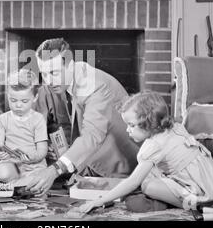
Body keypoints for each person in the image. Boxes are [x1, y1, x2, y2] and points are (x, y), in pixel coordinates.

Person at [77, 91, 213, 213]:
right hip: (207, 178)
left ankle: (186, 204)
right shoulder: (173, 126)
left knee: (147, 185)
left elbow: (133, 181)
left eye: (131, 125)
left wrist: (99, 201)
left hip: (200, 193)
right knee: (148, 172)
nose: (127, 130)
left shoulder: (154, 145)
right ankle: (166, 197)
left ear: (149, 122)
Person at [26, 38, 139, 196]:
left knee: (52, 176)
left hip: (119, 165)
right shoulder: (70, 78)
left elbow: (92, 136)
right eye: (43, 74)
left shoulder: (95, 85)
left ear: (70, 65)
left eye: (53, 73)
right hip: (93, 158)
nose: (49, 81)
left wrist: (54, 170)